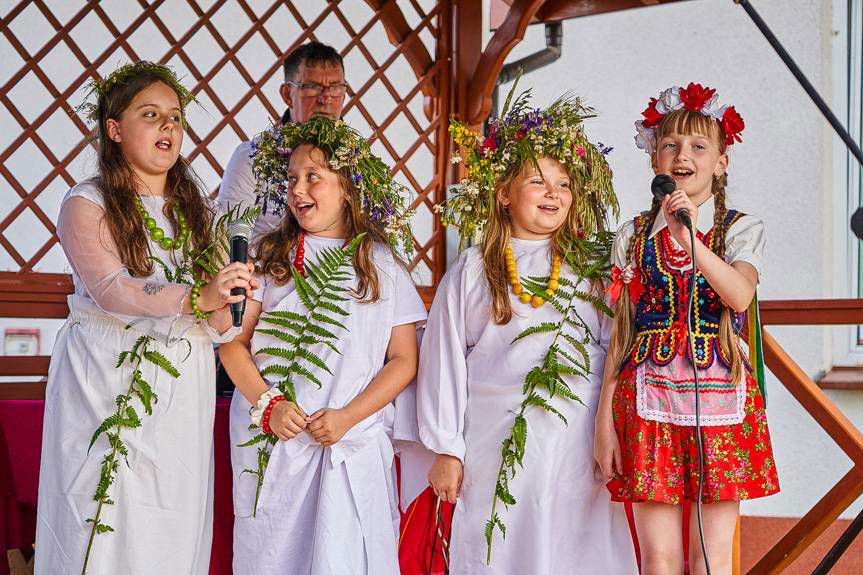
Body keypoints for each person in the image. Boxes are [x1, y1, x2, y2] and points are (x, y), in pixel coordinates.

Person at [35, 61, 256, 574]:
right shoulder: (86, 202)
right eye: (151, 114)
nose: (168, 127)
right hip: (104, 379)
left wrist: (231, 300)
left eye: (175, 117)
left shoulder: (200, 212)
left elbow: (219, 320)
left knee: (170, 519)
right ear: (114, 129)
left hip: (182, 386)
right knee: (101, 514)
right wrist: (198, 297)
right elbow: (111, 289)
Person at [416, 86, 638, 573]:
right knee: (500, 542)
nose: (554, 193)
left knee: (574, 546)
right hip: (495, 437)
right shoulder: (475, 270)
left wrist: (611, 427)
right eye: (538, 182)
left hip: (577, 439)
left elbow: (615, 350)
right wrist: (446, 448)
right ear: (503, 193)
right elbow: (444, 361)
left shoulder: (593, 268)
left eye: (564, 184)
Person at [220, 116, 426, 574]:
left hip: (349, 442)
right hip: (277, 442)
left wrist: (348, 416)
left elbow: (403, 360)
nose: (298, 189)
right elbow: (233, 344)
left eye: (313, 176)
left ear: (348, 187)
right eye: (292, 178)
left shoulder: (381, 265)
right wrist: (269, 404)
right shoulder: (269, 259)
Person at [594, 83, 779, 575]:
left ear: (720, 162)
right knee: (658, 555)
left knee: (711, 555)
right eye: (670, 145)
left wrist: (689, 237)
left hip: (721, 398)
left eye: (699, 146)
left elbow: (739, 295)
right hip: (646, 396)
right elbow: (621, 331)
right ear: (654, 158)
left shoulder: (739, 228)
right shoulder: (633, 234)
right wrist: (603, 421)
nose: (683, 155)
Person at [217, 41, 347, 240]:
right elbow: (229, 239)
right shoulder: (252, 158)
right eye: (312, 87)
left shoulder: (357, 159)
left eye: (336, 87)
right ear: (287, 94)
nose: (326, 98)